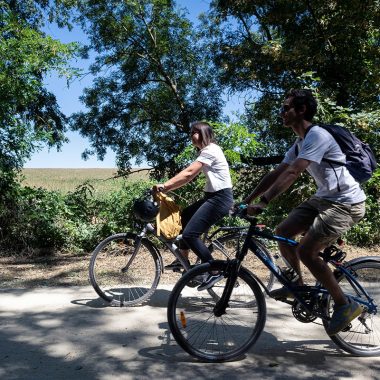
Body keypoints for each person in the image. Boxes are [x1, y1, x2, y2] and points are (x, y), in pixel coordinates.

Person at [242, 89, 366, 336]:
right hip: (324, 199)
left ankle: (345, 304)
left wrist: (264, 201)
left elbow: (293, 173)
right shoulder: (299, 142)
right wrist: (247, 200)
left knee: (306, 251)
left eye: (286, 108)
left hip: (346, 203)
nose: (282, 113)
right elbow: (278, 172)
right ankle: (297, 286)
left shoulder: (317, 135)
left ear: (301, 111)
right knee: (282, 232)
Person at [154, 121, 234, 291]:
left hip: (220, 199)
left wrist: (165, 186)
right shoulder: (206, 151)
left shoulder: (211, 149)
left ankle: (213, 270)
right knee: (182, 218)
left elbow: (189, 174)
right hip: (212, 197)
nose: (191, 136)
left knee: (190, 235)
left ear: (204, 133)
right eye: (191, 132)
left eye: (194, 132)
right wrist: (167, 187)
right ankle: (182, 260)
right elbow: (187, 176)